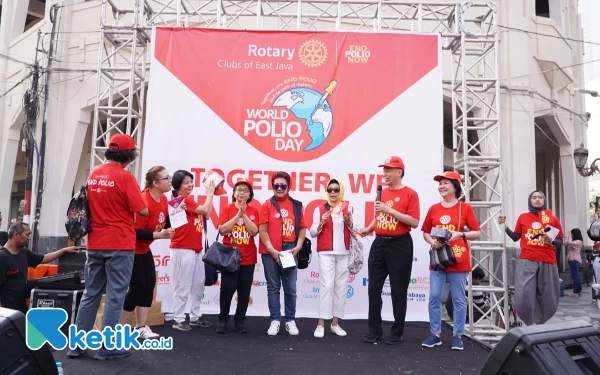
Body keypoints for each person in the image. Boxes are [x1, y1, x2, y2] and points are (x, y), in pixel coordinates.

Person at [69, 133, 148, 360]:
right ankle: (107, 346)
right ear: (129, 155)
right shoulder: (125, 178)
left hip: (94, 242)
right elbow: (141, 209)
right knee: (115, 295)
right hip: (119, 243)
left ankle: (77, 344)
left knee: (91, 294)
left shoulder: (94, 174)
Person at [358, 156, 420, 345]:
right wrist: (369, 228)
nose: (385, 173)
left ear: (399, 172)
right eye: (384, 170)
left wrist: (389, 210)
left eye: (388, 170)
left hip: (400, 244)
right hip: (379, 243)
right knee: (374, 288)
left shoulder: (410, 194)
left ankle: (396, 332)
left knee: (398, 290)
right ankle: (374, 331)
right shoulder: (381, 192)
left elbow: (414, 222)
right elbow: (379, 216)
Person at [421, 171, 481, 351]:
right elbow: (425, 231)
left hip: (458, 259)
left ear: (455, 186)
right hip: (438, 260)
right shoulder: (434, 208)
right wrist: (432, 241)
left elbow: (476, 232)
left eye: (446, 183)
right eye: (440, 183)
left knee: (458, 299)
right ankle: (435, 334)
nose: (442, 186)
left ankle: (458, 335)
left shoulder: (465, 208)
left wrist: (460, 234)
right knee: (434, 297)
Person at [119, 166, 175, 339]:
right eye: (167, 178)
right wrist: (161, 235)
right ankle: (116, 329)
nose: (170, 180)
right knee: (138, 286)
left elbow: (163, 221)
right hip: (130, 248)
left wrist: (171, 226)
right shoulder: (143, 201)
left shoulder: (164, 199)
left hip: (144, 249)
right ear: (156, 183)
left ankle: (140, 327)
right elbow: (135, 232)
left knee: (149, 284)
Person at [499, 190, 563, 326]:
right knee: (524, 292)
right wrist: (505, 227)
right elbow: (516, 237)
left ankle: (541, 322)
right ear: (530, 200)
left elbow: (560, 242)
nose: (537, 200)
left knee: (547, 293)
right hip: (527, 259)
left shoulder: (552, 219)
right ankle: (528, 322)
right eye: (534, 197)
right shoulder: (523, 217)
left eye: (540, 197)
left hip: (548, 260)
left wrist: (550, 240)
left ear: (544, 200)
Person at [258, 171, 307, 336]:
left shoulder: (297, 205)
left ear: (288, 187)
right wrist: (271, 249)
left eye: (283, 185)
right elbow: (262, 230)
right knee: (273, 288)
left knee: (291, 288)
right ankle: (275, 320)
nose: (279, 188)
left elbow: (302, 228)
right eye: (276, 185)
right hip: (271, 250)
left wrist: (299, 245)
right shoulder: (267, 205)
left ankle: (290, 320)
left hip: (290, 251)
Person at [169, 169, 215, 331]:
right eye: (186, 182)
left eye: (191, 181)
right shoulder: (179, 199)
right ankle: (179, 319)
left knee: (198, 285)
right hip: (182, 248)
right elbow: (203, 211)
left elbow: (206, 215)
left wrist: (211, 194)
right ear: (177, 184)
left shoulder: (189, 200)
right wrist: (210, 194)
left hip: (196, 248)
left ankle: (195, 317)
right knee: (182, 285)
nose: (190, 185)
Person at [0, 222, 79, 314]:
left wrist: (64, 250)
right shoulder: (2, 257)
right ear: (16, 235)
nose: (29, 238)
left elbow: (43, 258)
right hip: (6, 312)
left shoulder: (24, 253)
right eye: (27, 234)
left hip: (21, 310)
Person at [309, 178, 353, 338]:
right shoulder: (320, 209)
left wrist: (349, 221)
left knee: (341, 288)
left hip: (344, 252)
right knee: (327, 286)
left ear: (340, 190)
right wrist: (322, 222)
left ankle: (335, 323)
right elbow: (313, 232)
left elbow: (355, 229)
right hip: (326, 252)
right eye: (330, 190)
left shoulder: (348, 208)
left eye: (335, 189)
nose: (333, 192)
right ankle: (321, 323)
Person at [216, 179, 259, 334]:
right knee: (227, 289)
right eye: (239, 190)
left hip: (248, 257)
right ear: (234, 194)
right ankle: (222, 319)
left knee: (244, 291)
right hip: (229, 258)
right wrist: (237, 215)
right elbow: (223, 230)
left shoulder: (254, 211)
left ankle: (240, 321)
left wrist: (244, 214)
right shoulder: (227, 209)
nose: (242, 192)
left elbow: (254, 231)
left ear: (250, 195)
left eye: (246, 191)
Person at [564, 228, 583, 297]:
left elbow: (569, 243)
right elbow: (565, 244)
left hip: (574, 259)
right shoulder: (575, 241)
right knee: (576, 275)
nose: (571, 235)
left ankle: (575, 292)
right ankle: (578, 292)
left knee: (575, 276)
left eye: (572, 233)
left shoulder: (578, 241)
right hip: (572, 259)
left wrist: (568, 237)